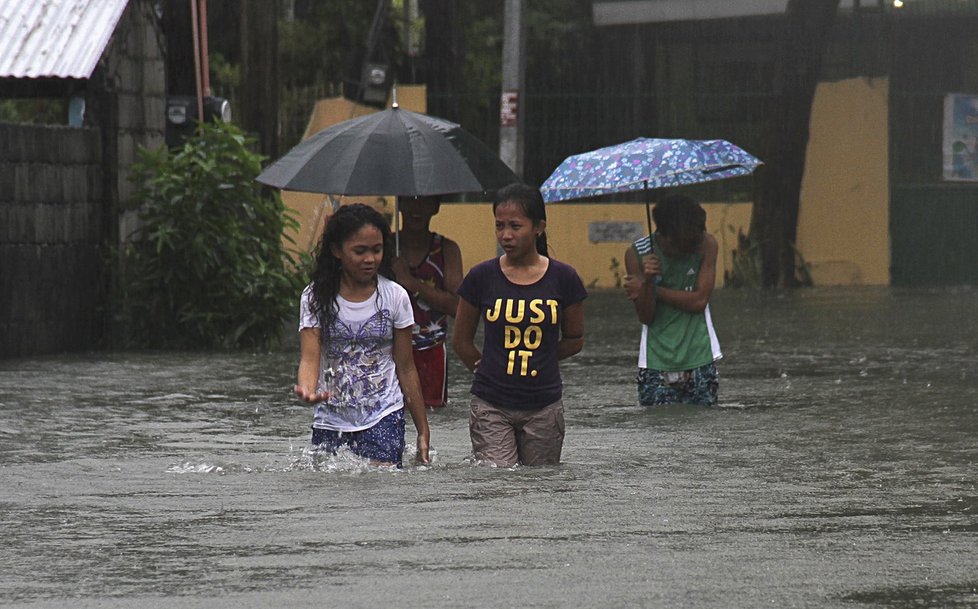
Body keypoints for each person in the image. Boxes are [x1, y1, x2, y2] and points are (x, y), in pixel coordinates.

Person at [452, 183, 587, 466]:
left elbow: (575, 339)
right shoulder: (481, 276)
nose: (506, 235)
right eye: (499, 226)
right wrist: (485, 364)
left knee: (540, 486)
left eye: (515, 226)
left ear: (538, 227)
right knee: (498, 481)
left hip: (544, 405)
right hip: (490, 403)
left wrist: (543, 355)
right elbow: (461, 340)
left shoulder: (564, 277)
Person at [294, 203, 430, 466]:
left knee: (382, 493)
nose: (370, 259)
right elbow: (309, 358)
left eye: (377, 250)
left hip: (384, 414)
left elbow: (406, 366)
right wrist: (308, 388)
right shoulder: (315, 297)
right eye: (360, 251)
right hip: (330, 418)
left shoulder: (395, 296)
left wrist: (423, 430)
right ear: (337, 251)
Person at [623, 194, 722, 407]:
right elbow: (646, 316)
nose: (691, 250)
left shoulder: (706, 245)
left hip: (701, 356)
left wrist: (652, 289)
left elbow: (699, 302)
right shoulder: (637, 254)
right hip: (655, 361)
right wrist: (647, 281)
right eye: (685, 244)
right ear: (665, 236)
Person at [391, 195, 463, 409]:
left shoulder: (446, 250)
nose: (417, 208)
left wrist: (411, 283)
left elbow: (458, 307)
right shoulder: (383, 247)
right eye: (410, 200)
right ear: (399, 204)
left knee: (432, 415)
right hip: (387, 351)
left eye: (424, 201)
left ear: (436, 206)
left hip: (430, 351)